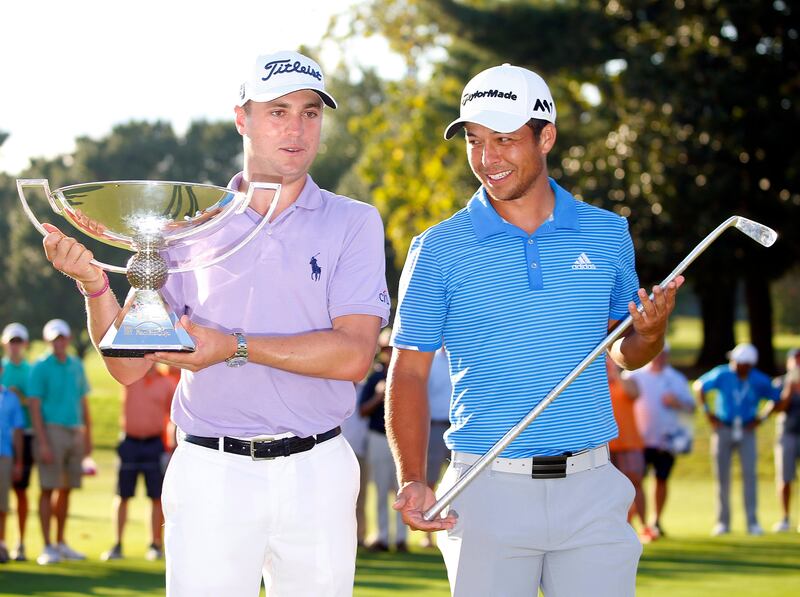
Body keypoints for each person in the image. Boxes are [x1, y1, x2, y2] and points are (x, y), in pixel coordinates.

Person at [40, 49, 389, 596]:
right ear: (241, 118)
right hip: (212, 468)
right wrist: (94, 287)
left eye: (310, 112)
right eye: (277, 111)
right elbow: (130, 370)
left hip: (318, 466)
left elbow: (353, 355)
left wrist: (234, 346)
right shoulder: (188, 223)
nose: (296, 127)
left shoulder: (354, 221)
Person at [386, 63, 682, 597]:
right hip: (485, 490)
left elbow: (625, 354)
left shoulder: (608, 232)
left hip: (592, 487)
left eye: (504, 139)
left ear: (546, 136)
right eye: (475, 141)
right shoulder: (437, 248)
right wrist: (412, 477)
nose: (487, 158)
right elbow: (407, 372)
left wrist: (653, 332)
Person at [696, 343, 780, 536]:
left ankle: (752, 522)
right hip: (723, 427)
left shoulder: (758, 379)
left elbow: (776, 398)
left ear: (748, 364)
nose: (733, 363)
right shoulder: (723, 373)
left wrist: (762, 417)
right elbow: (700, 386)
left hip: (746, 428)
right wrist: (707, 412)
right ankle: (722, 522)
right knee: (722, 477)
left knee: (750, 476)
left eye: (738, 361)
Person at [27, 318, 92, 565]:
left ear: (68, 339)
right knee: (47, 488)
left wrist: (88, 436)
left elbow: (83, 402)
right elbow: (34, 407)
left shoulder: (76, 365)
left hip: (74, 431)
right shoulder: (40, 367)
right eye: (55, 339)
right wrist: (42, 442)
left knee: (66, 489)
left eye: (62, 338)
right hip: (51, 432)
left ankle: (61, 542)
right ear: (48, 341)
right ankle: (47, 546)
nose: (59, 343)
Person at [101, 365, 175, 562]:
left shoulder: (166, 383)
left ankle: (155, 544)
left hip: (155, 444)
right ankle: (117, 544)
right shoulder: (129, 377)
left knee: (155, 496)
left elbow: (173, 417)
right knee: (122, 495)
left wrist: (171, 441)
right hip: (129, 443)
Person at [625, 344, 695, 538]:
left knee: (661, 480)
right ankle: (633, 521)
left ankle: (656, 520)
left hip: (666, 441)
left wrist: (677, 403)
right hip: (639, 440)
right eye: (657, 354)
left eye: (663, 355)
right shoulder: (635, 376)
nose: (659, 358)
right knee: (635, 482)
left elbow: (691, 407)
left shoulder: (676, 379)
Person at [359, 329, 407, 552]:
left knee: (402, 489)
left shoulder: (408, 375)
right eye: (386, 349)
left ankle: (401, 538)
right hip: (378, 436)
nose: (389, 353)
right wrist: (379, 395)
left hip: (402, 439)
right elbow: (363, 410)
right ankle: (382, 535)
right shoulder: (376, 377)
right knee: (379, 488)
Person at [605, 356, 649, 541]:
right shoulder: (597, 386)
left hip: (630, 443)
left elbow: (634, 394)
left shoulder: (628, 381)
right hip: (607, 446)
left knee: (636, 483)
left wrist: (615, 373)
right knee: (609, 489)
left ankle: (645, 526)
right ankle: (616, 525)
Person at [1, 323, 33, 561]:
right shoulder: (3, 367)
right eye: (11, 342)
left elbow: (33, 402)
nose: (15, 346)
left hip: (21, 437)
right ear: (5, 344)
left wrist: (18, 396)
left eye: (18, 342)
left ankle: (19, 543)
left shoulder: (30, 371)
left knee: (20, 491)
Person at [421, 346, 452, 548]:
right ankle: (428, 533)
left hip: (466, 431)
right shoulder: (431, 362)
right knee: (430, 480)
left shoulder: (471, 352)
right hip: (436, 427)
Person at [772, 348, 800, 532]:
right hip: (787, 434)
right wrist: (789, 391)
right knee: (784, 478)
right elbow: (778, 408)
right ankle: (785, 518)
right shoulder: (780, 382)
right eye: (795, 360)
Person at [0, 360, 25, 564]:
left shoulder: (10, 398)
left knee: (2, 504)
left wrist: (18, 461)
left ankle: (1, 544)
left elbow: (18, 431)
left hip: (4, 455)